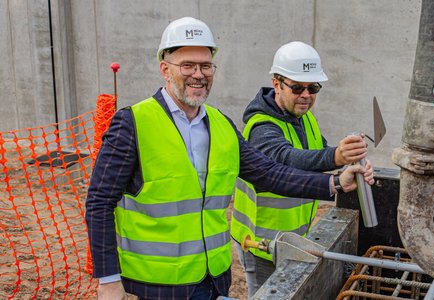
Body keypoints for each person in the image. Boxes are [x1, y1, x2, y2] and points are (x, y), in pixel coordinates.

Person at [85, 17, 373, 300]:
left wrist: (336, 182)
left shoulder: (221, 125)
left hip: (214, 277)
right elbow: (99, 201)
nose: (198, 74)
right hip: (156, 284)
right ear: (165, 69)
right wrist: (108, 281)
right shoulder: (133, 122)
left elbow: (269, 174)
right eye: (187, 65)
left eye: (206, 65)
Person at [230, 41, 372, 298]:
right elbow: (286, 159)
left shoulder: (304, 117)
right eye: (297, 87)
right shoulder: (261, 127)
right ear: (277, 84)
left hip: (292, 237)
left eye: (313, 87)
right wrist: (336, 157)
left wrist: (349, 165)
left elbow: (316, 151)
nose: (306, 94)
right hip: (261, 243)